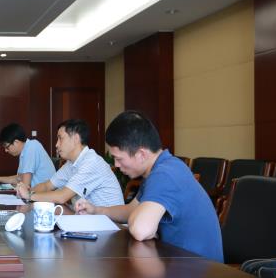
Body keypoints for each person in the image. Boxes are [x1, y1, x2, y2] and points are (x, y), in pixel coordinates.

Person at [75, 110, 222, 262]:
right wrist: (96, 210)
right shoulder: (160, 168)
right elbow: (132, 209)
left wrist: (142, 222)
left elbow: (141, 230)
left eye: (119, 158)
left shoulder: (165, 174)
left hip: (198, 269)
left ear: (141, 154)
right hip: (179, 261)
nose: (116, 165)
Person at [16, 119, 123, 208]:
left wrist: (29, 195)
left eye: (60, 138)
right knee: (54, 207)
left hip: (108, 223)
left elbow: (62, 197)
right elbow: (47, 185)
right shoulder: (71, 163)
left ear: (76, 138)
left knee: (55, 206)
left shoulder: (91, 162)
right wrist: (27, 191)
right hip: (87, 218)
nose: (56, 144)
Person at [0, 123, 55, 188]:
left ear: (16, 142)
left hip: (45, 194)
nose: (6, 150)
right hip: (36, 192)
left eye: (7, 147)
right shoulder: (25, 151)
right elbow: (19, 178)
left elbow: (25, 185)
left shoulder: (31, 147)